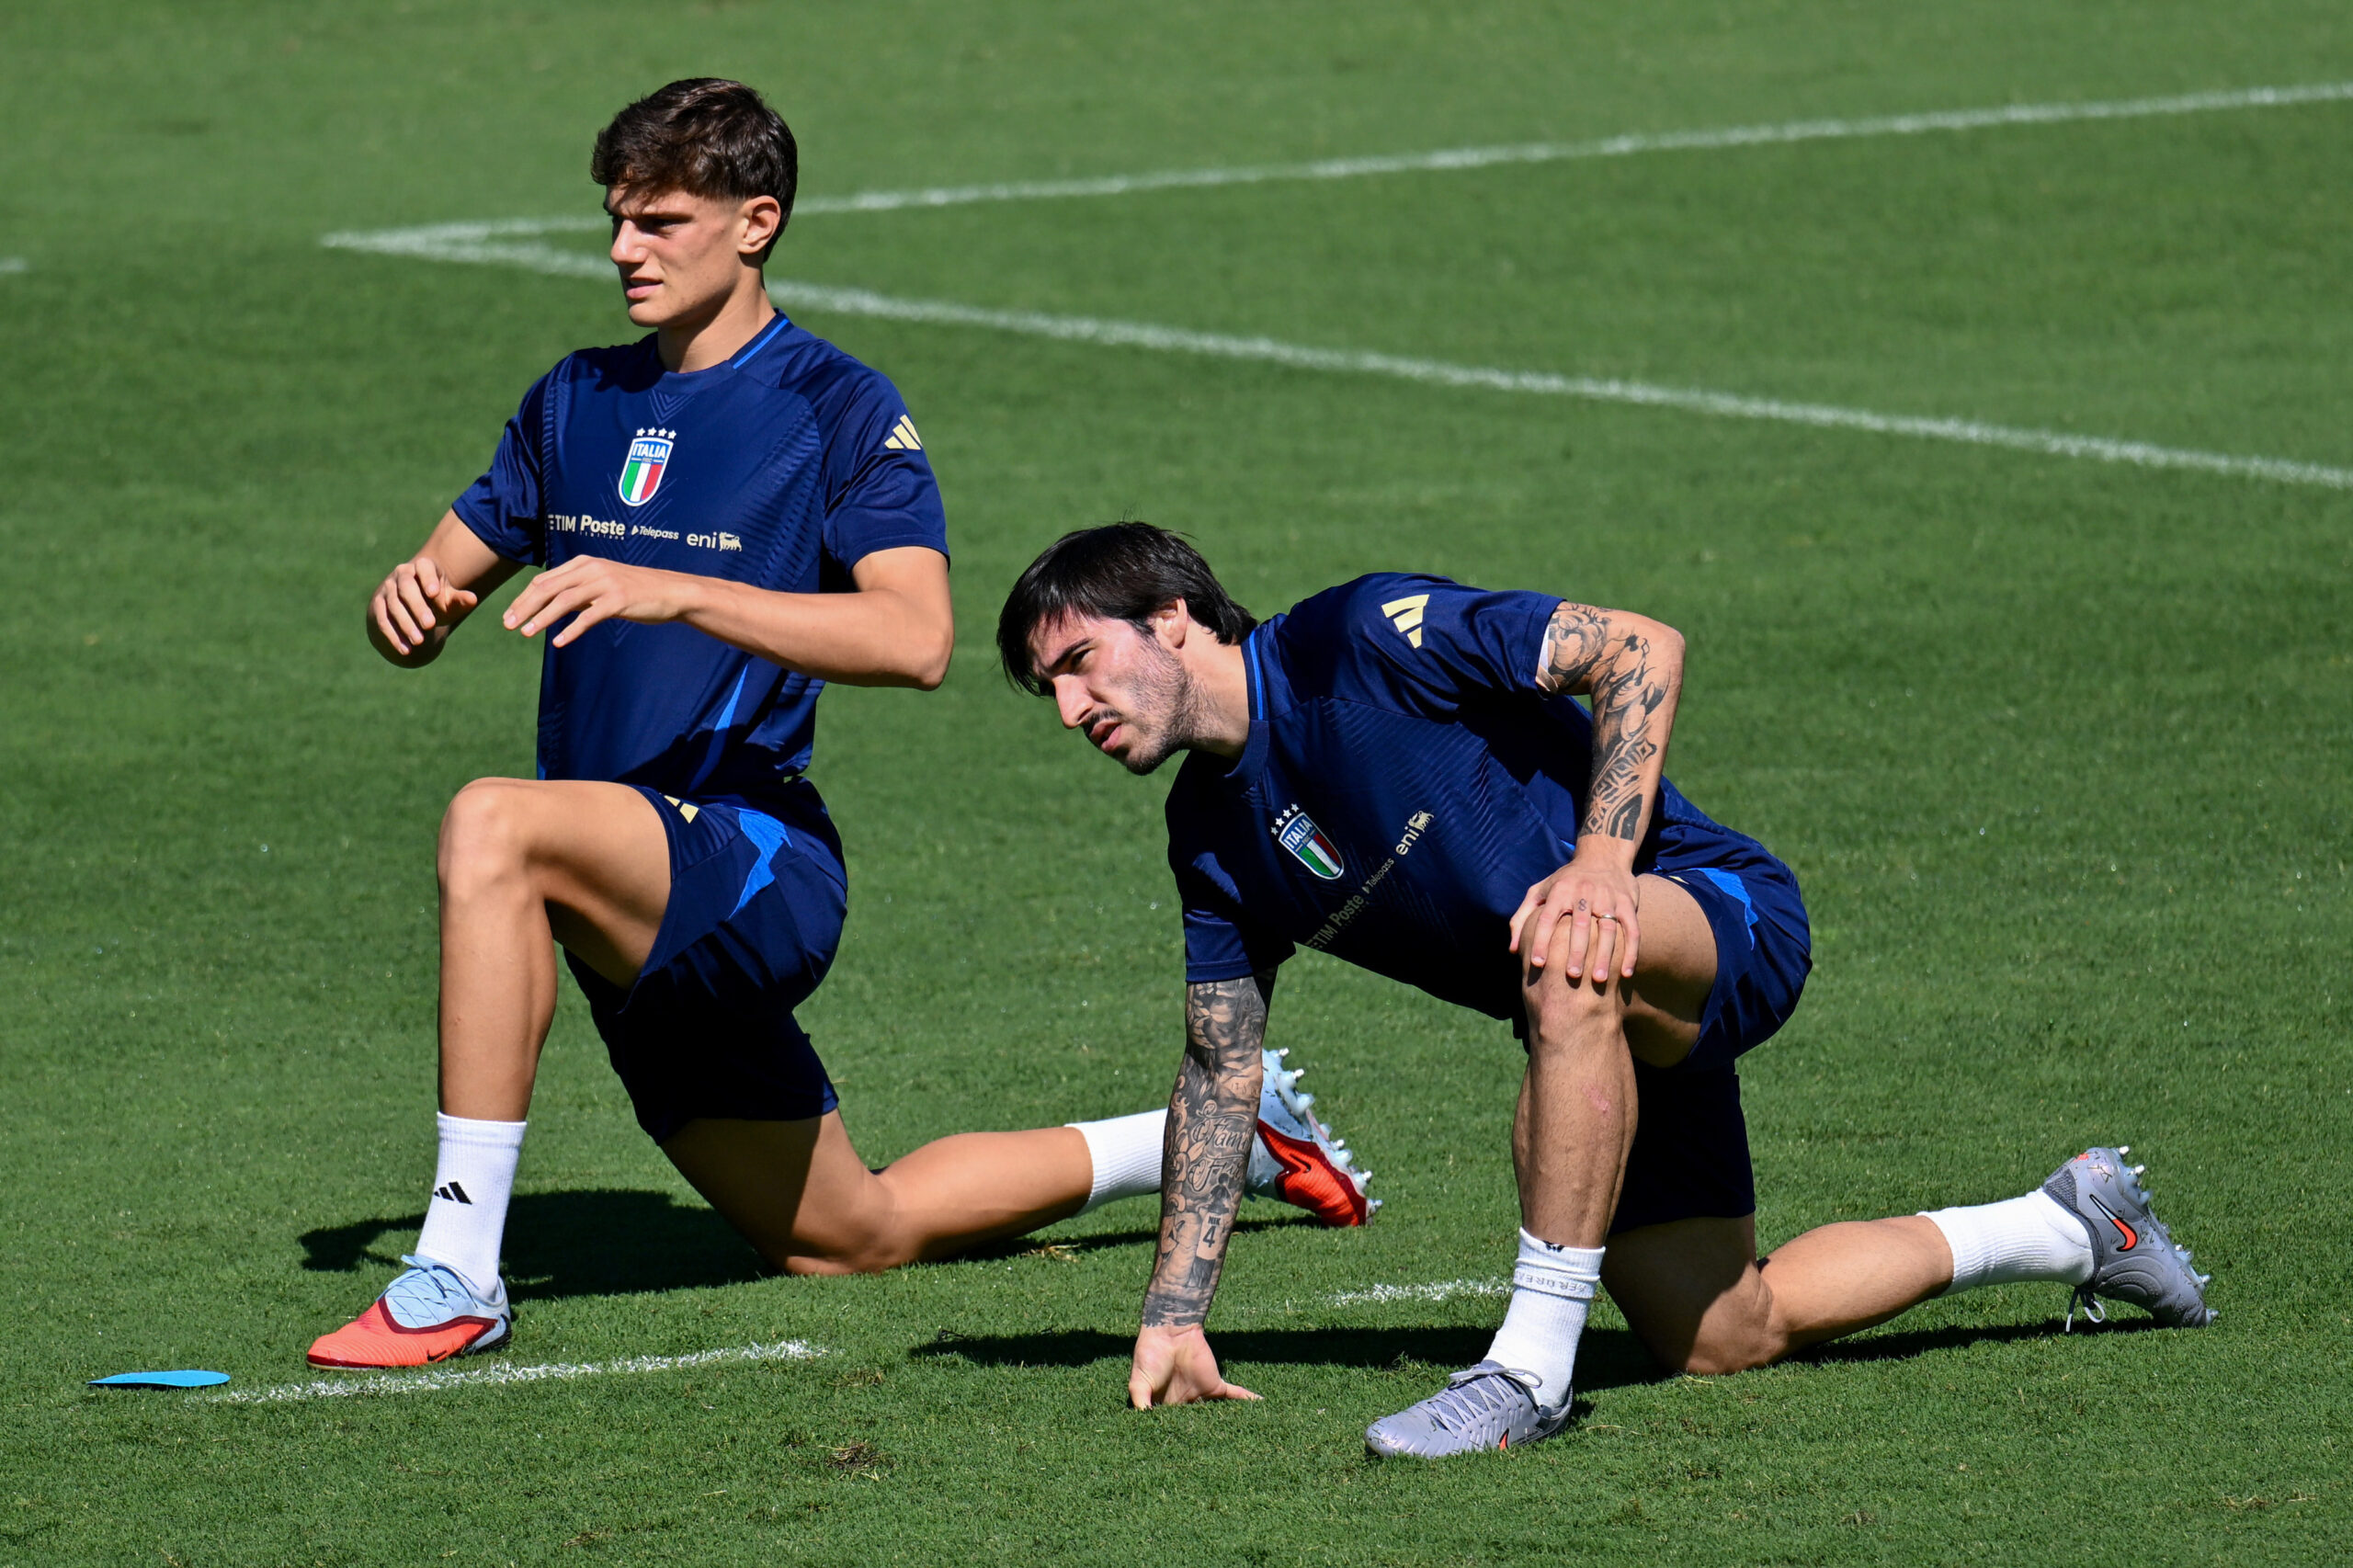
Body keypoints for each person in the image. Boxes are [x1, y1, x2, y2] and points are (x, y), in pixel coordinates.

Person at [309, 84, 1370, 1371]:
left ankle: (457, 1267)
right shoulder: (574, 400)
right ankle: (1219, 1136)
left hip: (753, 861)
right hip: (618, 894)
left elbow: (917, 638)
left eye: (658, 221)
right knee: (848, 1231)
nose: (622, 250)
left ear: (756, 222)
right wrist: (403, 607)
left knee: (493, 823)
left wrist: (681, 587)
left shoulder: (837, 408)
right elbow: (433, 584)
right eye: (614, 220)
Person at [996, 522, 2214, 1458]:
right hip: (1593, 1027)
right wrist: (1171, 1310)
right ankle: (2073, 1223)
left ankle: (1527, 1374)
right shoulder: (1212, 840)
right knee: (1724, 1331)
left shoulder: (1360, 638)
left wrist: (1599, 863)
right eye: (1048, 690)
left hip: (1707, 913)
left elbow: (1639, 646)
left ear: (1170, 617)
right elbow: (1222, 1068)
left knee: (1566, 951)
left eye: (1079, 662)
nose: (1068, 709)